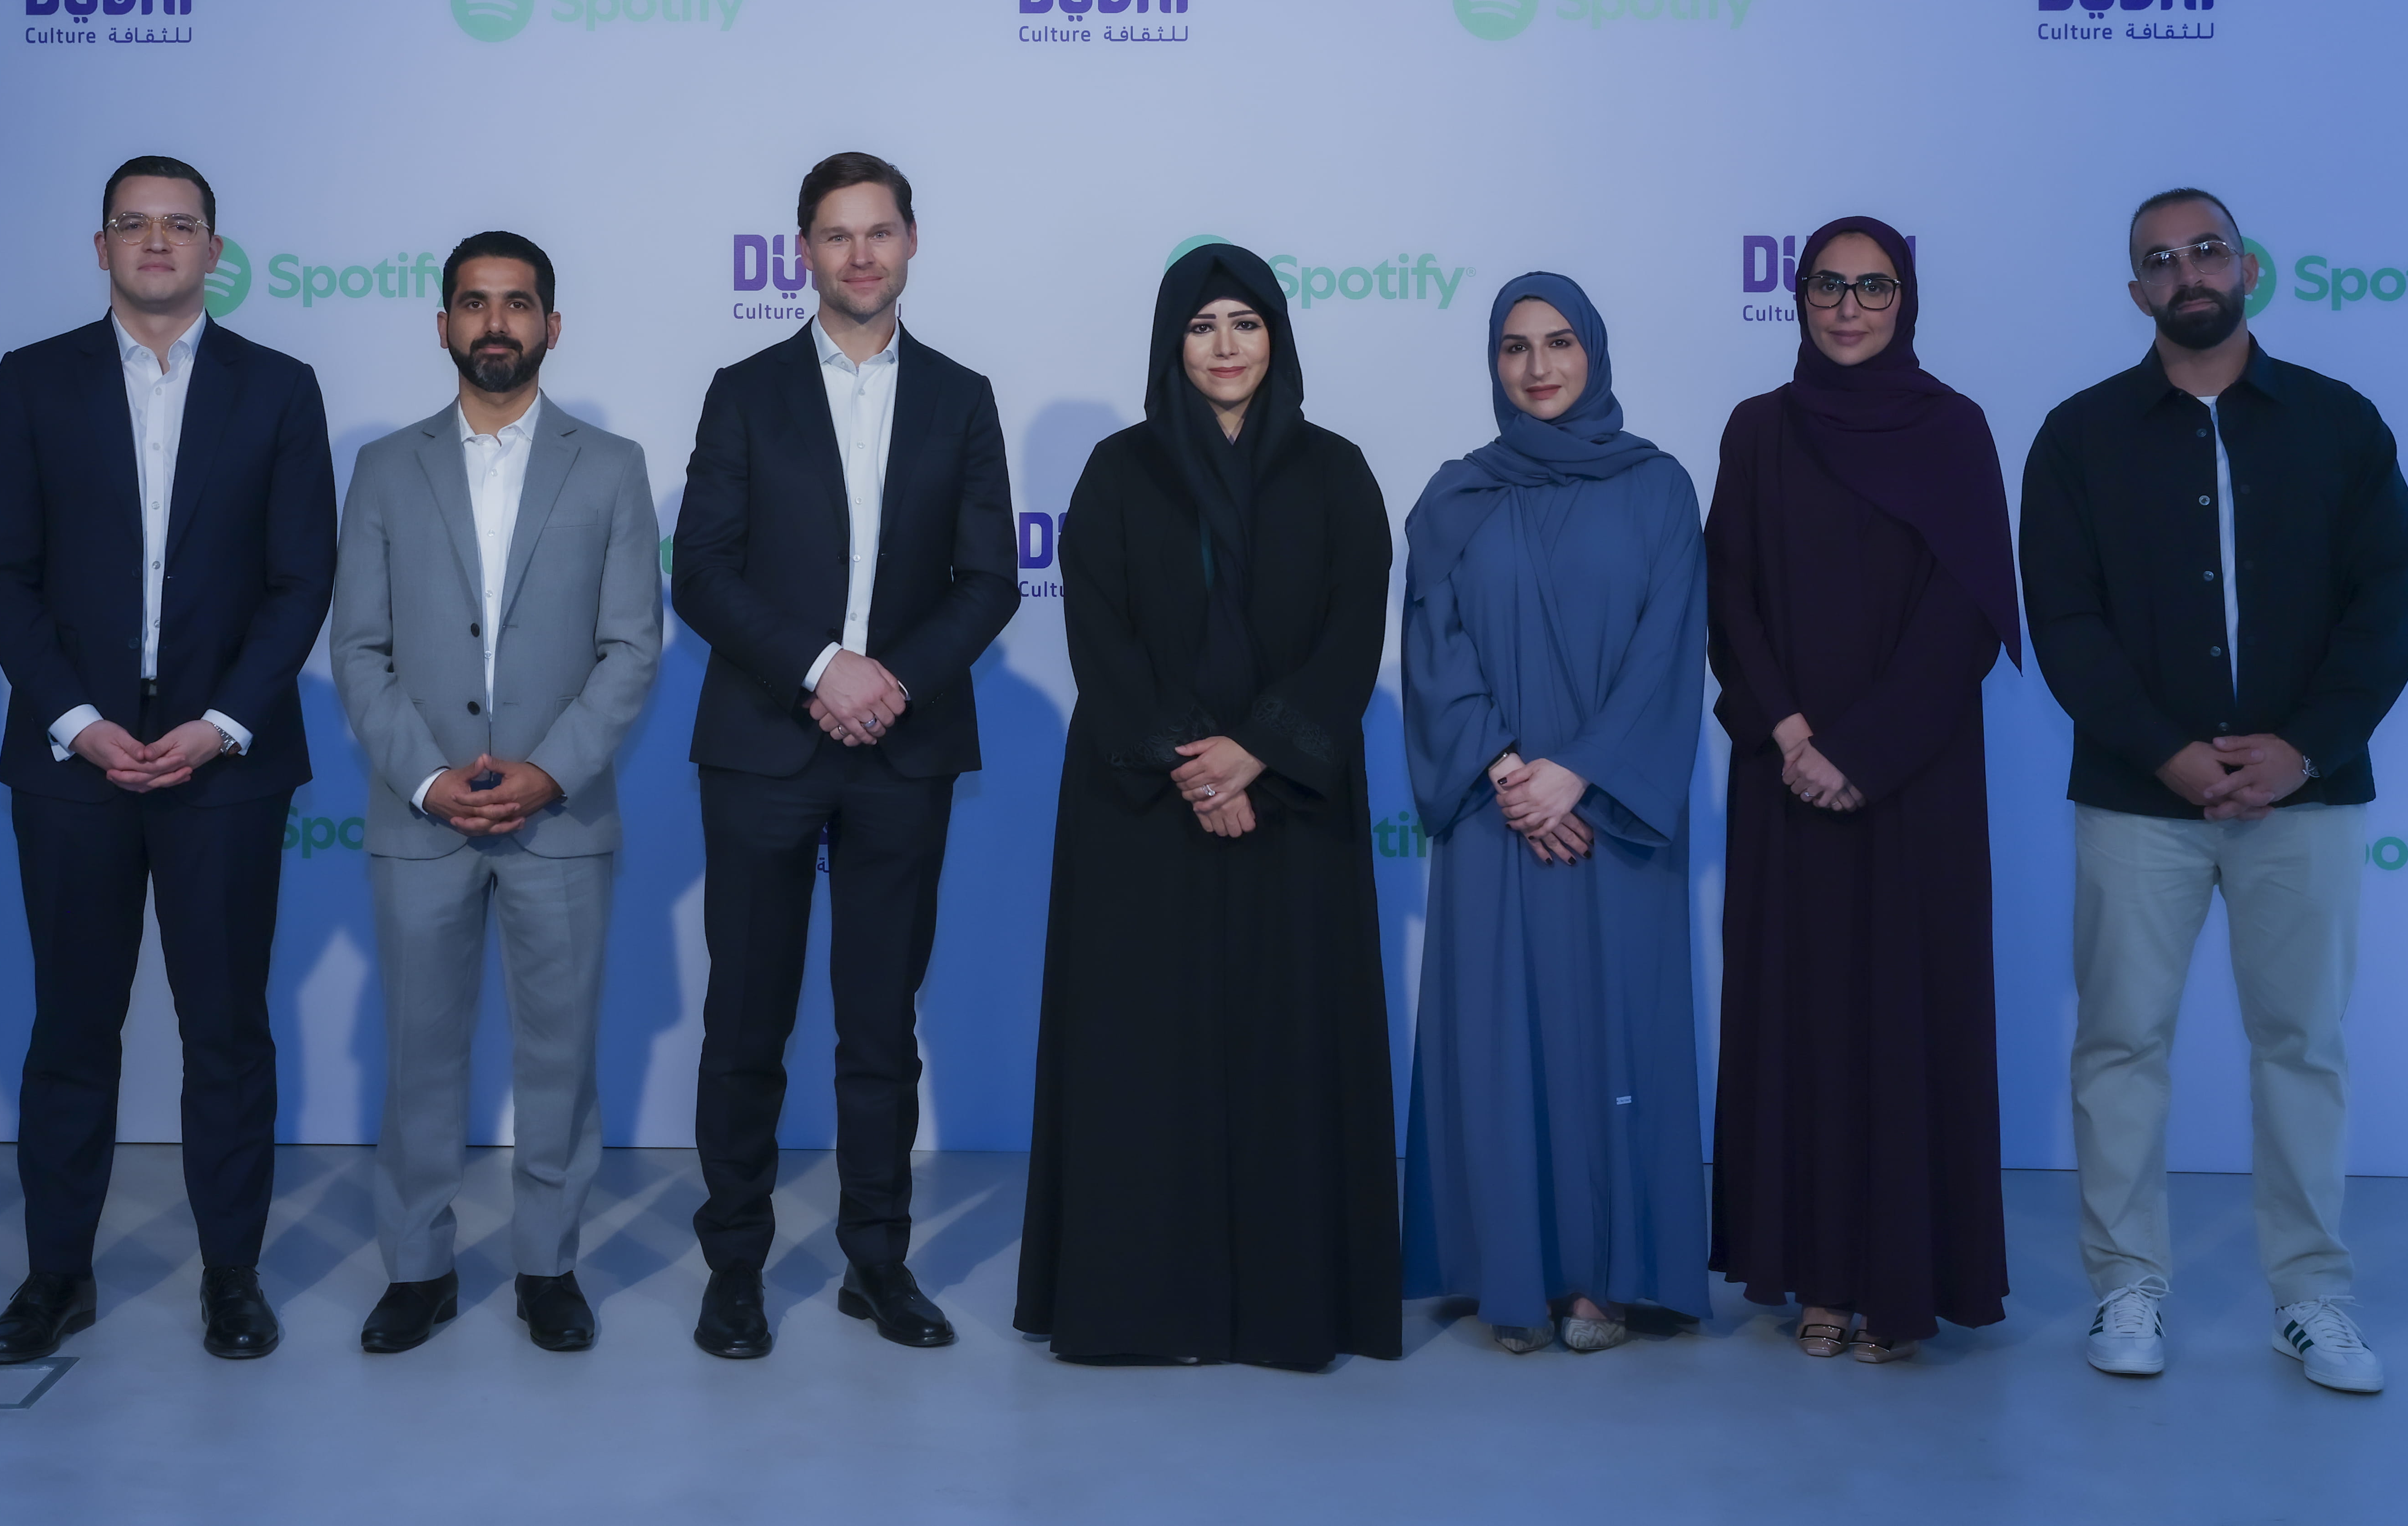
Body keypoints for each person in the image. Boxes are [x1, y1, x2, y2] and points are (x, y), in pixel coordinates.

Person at [2022, 188, 2408, 1395]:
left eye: (2205, 250)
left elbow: (2384, 604)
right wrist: (2168, 753)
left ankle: (2311, 1295)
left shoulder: (2340, 423)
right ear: (2135, 291)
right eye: (2159, 260)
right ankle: (2126, 1282)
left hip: (2308, 796)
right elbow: (2065, 622)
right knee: (2120, 1044)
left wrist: (2302, 748)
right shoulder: (2079, 436)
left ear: (2245, 267)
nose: (2186, 272)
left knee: (2301, 1044)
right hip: (2137, 799)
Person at [0, 155, 337, 1365]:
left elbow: (301, 580)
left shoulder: (279, 388)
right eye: (135, 223)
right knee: (72, 1030)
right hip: (71, 761)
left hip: (223, 763)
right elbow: (3, 573)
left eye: (181, 224)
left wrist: (222, 720)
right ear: (102, 247)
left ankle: (231, 1275)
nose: (158, 241)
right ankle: (56, 1277)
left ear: (216, 250)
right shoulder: (34, 380)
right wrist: (76, 718)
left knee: (225, 1030)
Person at [1013, 242, 1400, 1370]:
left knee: (1289, 1053)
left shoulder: (1336, 471)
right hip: (1144, 811)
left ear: (1276, 336)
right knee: (1145, 1060)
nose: (1225, 346)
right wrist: (1195, 763)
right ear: (1169, 344)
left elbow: (1352, 635)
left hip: (1293, 812)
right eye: (1200, 325)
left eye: (1244, 322)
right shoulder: (1119, 470)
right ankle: (1145, 1307)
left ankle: (1288, 1310)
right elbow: (1100, 631)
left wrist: (1259, 755)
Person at [672, 151, 1017, 1360]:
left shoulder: (962, 397)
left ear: (911, 241)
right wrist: (823, 668)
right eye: (836, 234)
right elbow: (700, 570)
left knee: (879, 1030)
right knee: (744, 1026)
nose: (860, 254)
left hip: (902, 751)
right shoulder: (744, 391)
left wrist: (892, 681)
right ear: (803, 253)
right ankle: (733, 1271)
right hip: (764, 745)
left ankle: (878, 1262)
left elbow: (990, 579)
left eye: (879, 231)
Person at [331, 230, 661, 1356]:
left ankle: (547, 1266)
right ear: (443, 325)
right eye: (474, 303)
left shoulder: (611, 466)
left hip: (558, 817)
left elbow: (631, 647)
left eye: (518, 304)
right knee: (418, 1058)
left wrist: (548, 770)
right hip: (419, 816)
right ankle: (416, 1269)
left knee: (558, 1061)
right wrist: (429, 779)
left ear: (551, 326)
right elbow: (358, 648)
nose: (496, 323)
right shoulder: (385, 467)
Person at [1705, 218, 2018, 1365]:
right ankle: (1818, 1280)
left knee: (1904, 1021)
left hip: (1912, 786)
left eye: (1872, 287)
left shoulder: (1954, 428)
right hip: (1783, 782)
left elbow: (1966, 611)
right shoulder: (1759, 428)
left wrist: (1860, 751)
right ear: (1799, 299)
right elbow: (1728, 595)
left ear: (1905, 299)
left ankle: (1902, 1289)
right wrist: (1793, 733)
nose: (1848, 307)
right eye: (1828, 286)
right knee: (1803, 1025)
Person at [1398, 274, 1709, 1356]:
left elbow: (1671, 646)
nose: (1538, 367)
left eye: (1560, 342)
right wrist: (1505, 769)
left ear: (1595, 353)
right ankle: (1509, 1277)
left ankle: (1604, 1281)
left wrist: (1578, 774)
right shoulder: (1456, 497)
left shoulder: (1658, 487)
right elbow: (1433, 646)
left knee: (1610, 1035)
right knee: (1499, 1042)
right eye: (1515, 347)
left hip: (1611, 818)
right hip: (1497, 816)